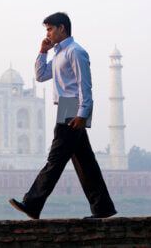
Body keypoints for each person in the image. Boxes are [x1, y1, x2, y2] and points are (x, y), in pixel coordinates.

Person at [9, 12, 117, 219]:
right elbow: (41, 76)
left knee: (56, 159)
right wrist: (42, 52)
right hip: (66, 108)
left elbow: (84, 85)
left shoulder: (76, 52)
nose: (47, 33)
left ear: (62, 28)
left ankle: (32, 203)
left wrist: (82, 114)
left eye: (50, 29)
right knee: (85, 162)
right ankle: (103, 208)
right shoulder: (59, 53)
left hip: (73, 108)